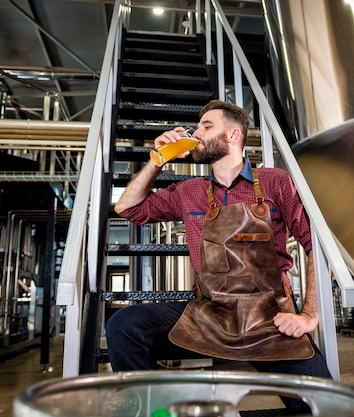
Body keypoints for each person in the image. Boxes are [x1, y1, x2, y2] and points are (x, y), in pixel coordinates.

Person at [106, 100, 332, 383]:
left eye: (206, 126)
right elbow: (127, 209)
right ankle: (155, 407)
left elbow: (317, 246)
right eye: (198, 126)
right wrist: (157, 160)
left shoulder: (276, 182)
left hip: (269, 317)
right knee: (124, 326)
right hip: (209, 313)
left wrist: (310, 315)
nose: (196, 133)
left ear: (233, 135)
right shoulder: (189, 192)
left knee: (321, 403)